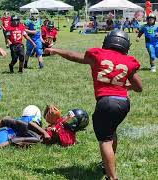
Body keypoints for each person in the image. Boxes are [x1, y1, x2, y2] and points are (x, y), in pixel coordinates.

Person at [44, 29, 143, 180]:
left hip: (106, 102)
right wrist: (125, 86)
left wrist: (56, 50)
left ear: (107, 41)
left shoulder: (98, 54)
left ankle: (112, 177)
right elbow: (139, 87)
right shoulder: (129, 61)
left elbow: (74, 56)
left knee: (105, 140)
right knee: (111, 131)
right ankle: (106, 164)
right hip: (123, 103)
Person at [0, 105, 89, 148]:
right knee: (8, 120)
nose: (66, 118)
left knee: (14, 137)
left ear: (76, 126)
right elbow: (50, 120)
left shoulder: (69, 137)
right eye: (68, 115)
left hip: (38, 138)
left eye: (71, 119)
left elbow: (58, 139)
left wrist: (47, 133)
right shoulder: (63, 122)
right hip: (38, 132)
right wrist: (50, 108)